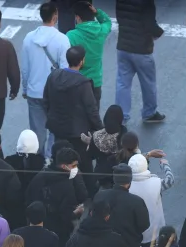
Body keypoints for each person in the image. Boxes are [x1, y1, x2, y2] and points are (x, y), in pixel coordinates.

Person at [21, 3, 71, 156]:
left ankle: (38, 160)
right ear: (55, 16)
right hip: (54, 94)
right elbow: (64, 70)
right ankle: (50, 158)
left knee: (37, 133)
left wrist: (25, 89)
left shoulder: (29, 38)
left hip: (34, 92)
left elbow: (25, 68)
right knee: (55, 130)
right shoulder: (62, 39)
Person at [44, 45, 101, 178]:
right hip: (78, 133)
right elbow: (91, 110)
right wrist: (100, 129)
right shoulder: (83, 83)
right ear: (82, 61)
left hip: (58, 129)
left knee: (60, 163)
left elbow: (46, 100)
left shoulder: (53, 76)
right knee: (84, 165)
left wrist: (51, 117)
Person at [115, 0, 166, 124]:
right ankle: (149, 113)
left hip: (123, 45)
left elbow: (119, 18)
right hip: (142, 49)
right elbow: (150, 24)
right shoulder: (147, 2)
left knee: (123, 83)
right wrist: (159, 33)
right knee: (148, 82)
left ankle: (122, 117)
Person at [94, 165, 150, 247]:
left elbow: (93, 217)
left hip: (104, 246)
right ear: (129, 181)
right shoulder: (136, 201)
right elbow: (144, 225)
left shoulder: (100, 196)